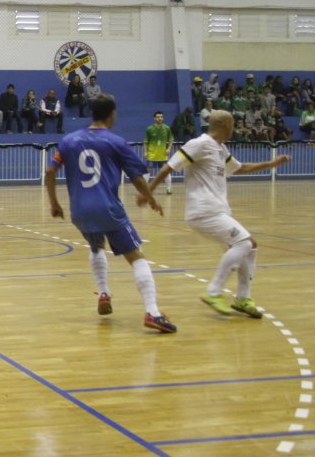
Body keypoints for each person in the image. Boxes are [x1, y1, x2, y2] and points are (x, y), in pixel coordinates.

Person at [44, 94, 175, 333]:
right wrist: (151, 198)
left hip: (80, 212)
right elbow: (136, 177)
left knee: (96, 248)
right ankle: (153, 312)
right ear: (112, 113)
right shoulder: (116, 142)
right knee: (137, 256)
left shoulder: (69, 140)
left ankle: (104, 293)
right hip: (108, 209)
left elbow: (50, 172)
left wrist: (54, 203)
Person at [148, 110, 291, 320]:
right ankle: (213, 292)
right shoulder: (199, 143)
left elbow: (239, 168)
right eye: (233, 124)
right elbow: (168, 167)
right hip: (203, 210)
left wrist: (270, 164)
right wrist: (148, 194)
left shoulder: (220, 149)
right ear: (226, 124)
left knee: (250, 247)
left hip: (216, 210)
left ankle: (243, 298)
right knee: (244, 244)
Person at [144, 110, 174, 194]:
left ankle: (169, 189)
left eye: (161, 117)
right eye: (158, 117)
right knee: (148, 170)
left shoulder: (167, 128)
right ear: (154, 118)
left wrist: (168, 149)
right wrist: (145, 152)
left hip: (162, 155)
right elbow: (145, 142)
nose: (160, 118)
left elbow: (171, 139)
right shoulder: (149, 129)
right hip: (152, 154)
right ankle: (145, 190)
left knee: (166, 171)